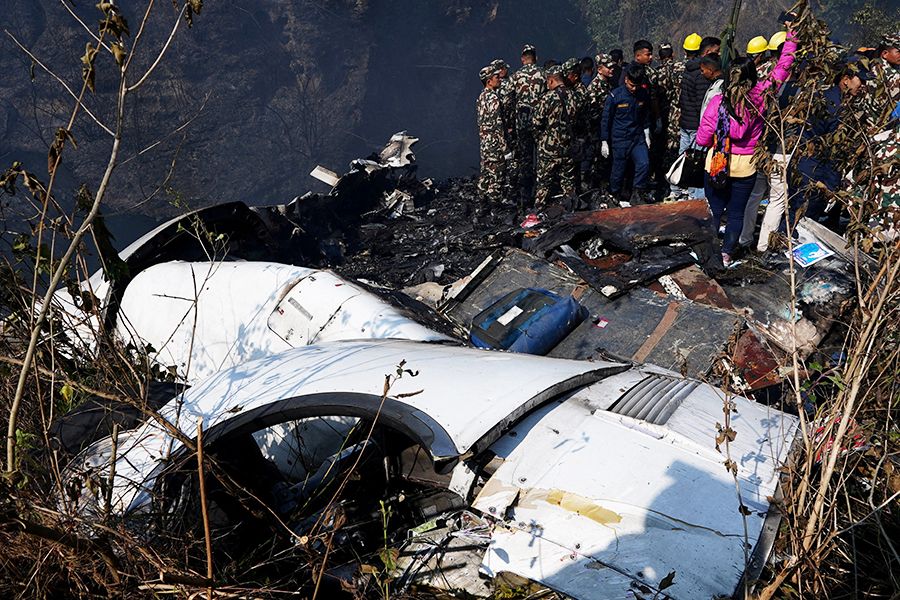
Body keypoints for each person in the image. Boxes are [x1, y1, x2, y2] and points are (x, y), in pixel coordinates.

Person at [696, 30, 797, 265]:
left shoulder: (717, 102)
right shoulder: (761, 96)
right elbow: (782, 69)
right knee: (736, 213)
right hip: (746, 165)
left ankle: (709, 251)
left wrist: (718, 138)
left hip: (717, 164)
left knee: (713, 210)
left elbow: (702, 139)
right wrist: (792, 38)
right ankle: (727, 253)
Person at [787, 58, 870, 229]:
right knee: (805, 221)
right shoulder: (837, 107)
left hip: (801, 165)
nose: (863, 86)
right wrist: (832, 186)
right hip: (815, 170)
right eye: (860, 81)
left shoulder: (821, 95)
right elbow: (833, 150)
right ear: (845, 80)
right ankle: (783, 251)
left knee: (796, 214)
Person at [601, 64, 653, 205]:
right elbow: (606, 119)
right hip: (620, 138)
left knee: (644, 164)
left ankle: (637, 194)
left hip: (637, 137)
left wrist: (647, 132)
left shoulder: (643, 94)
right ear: (626, 80)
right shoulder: (615, 96)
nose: (634, 89)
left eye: (637, 85)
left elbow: (645, 114)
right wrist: (604, 140)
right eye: (631, 85)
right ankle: (614, 196)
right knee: (618, 170)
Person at [677, 36, 720, 198]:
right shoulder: (702, 75)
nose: (719, 55)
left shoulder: (688, 69)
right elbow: (703, 106)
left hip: (686, 122)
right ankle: (696, 197)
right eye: (716, 52)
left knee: (684, 158)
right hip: (697, 125)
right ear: (707, 52)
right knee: (698, 162)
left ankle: (679, 191)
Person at [532, 67, 575, 208]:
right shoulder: (575, 96)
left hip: (548, 149)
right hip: (568, 147)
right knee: (568, 182)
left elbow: (536, 123)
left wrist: (539, 139)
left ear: (550, 80)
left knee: (544, 183)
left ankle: (538, 212)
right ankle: (572, 211)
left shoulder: (547, 98)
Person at [511, 45, 547, 197]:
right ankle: (541, 191)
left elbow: (509, 99)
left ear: (522, 59)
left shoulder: (515, 76)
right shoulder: (543, 74)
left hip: (522, 123)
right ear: (536, 58)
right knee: (541, 158)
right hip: (540, 123)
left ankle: (525, 193)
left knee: (525, 159)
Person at [476, 64, 508, 206]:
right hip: (495, 143)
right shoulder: (493, 98)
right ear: (489, 81)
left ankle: (482, 205)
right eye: (496, 77)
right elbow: (497, 124)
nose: (500, 79)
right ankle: (495, 206)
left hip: (484, 143)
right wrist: (505, 148)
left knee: (485, 173)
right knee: (497, 175)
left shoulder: (481, 97)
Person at [587, 53, 617, 187]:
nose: (611, 70)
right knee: (597, 163)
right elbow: (592, 114)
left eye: (612, 67)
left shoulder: (609, 84)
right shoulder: (594, 88)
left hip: (608, 129)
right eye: (608, 67)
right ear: (599, 69)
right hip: (597, 132)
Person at [492, 59, 518, 196]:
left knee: (497, 161)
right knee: (513, 159)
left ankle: (498, 190)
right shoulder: (508, 84)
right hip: (509, 127)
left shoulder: (489, 89)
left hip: (494, 131)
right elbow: (510, 106)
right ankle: (512, 190)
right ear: (501, 69)